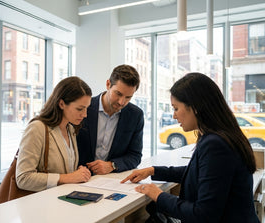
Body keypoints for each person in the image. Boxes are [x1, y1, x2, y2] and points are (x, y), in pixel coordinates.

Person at [121, 72, 259, 223]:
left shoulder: (215, 144)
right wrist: (153, 170)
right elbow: (200, 174)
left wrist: (158, 196)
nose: (174, 116)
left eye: (176, 108)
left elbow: (203, 215)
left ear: (195, 107)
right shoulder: (218, 136)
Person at [16, 76, 92, 192]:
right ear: (61, 104)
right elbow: (23, 178)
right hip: (41, 205)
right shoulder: (37, 128)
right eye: (80, 109)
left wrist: (78, 173)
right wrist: (68, 177)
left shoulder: (70, 129)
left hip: (62, 200)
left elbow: (64, 170)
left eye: (86, 108)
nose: (85, 114)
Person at [76, 64, 144, 175]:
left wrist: (112, 165)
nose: (122, 102)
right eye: (118, 94)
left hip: (111, 179)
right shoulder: (84, 107)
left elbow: (135, 156)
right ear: (108, 84)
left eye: (128, 97)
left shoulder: (135, 115)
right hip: (79, 176)